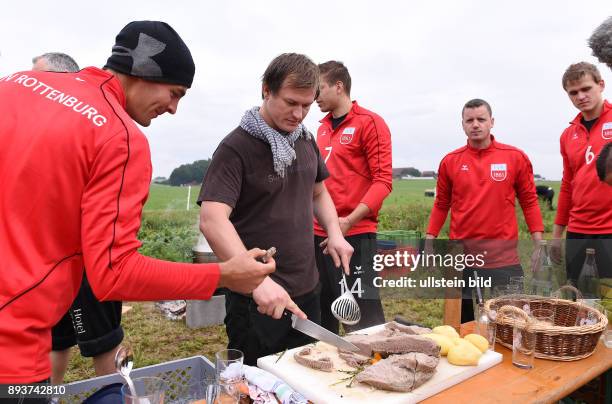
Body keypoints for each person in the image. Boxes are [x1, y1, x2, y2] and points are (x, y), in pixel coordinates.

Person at [0, 21, 274, 384]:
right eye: (175, 93)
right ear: (146, 72)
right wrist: (223, 275)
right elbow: (114, 273)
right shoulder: (119, 136)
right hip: (12, 348)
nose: (174, 108)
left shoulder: (16, 84)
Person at [198, 53, 354, 365]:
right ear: (266, 91)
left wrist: (335, 233)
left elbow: (319, 193)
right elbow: (212, 220)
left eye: (307, 105)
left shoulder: (304, 140)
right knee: (258, 388)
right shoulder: (236, 148)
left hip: (307, 289)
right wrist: (258, 282)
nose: (299, 114)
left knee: (309, 380)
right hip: (258, 299)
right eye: (291, 102)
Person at [31, 52, 122, 385]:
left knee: (104, 341)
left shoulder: (93, 124)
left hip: (90, 256)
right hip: (48, 260)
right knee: (54, 336)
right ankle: (48, 396)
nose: (33, 89)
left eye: (40, 80)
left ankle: (111, 394)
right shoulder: (33, 127)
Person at [426, 99, 543, 322]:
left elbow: (529, 202)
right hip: (461, 258)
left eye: (481, 119)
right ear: (462, 125)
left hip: (504, 258)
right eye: (470, 120)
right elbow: (441, 204)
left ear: (492, 122)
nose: (476, 124)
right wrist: (430, 241)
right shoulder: (450, 161)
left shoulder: (514, 157)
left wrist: (539, 244)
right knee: (462, 325)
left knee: (510, 323)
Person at [313, 61, 392, 333]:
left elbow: (383, 182)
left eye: (319, 88)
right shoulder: (320, 128)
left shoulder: (370, 122)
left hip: (355, 233)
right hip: (318, 234)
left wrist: (347, 221)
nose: (314, 96)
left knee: (363, 319)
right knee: (322, 314)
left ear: (339, 86)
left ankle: (373, 369)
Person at [551, 62, 612, 283]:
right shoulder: (568, 135)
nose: (581, 96)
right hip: (577, 229)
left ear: (601, 85)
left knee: (608, 299)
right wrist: (557, 236)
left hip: (609, 229)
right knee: (578, 301)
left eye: (586, 89)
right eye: (573, 92)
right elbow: (568, 185)